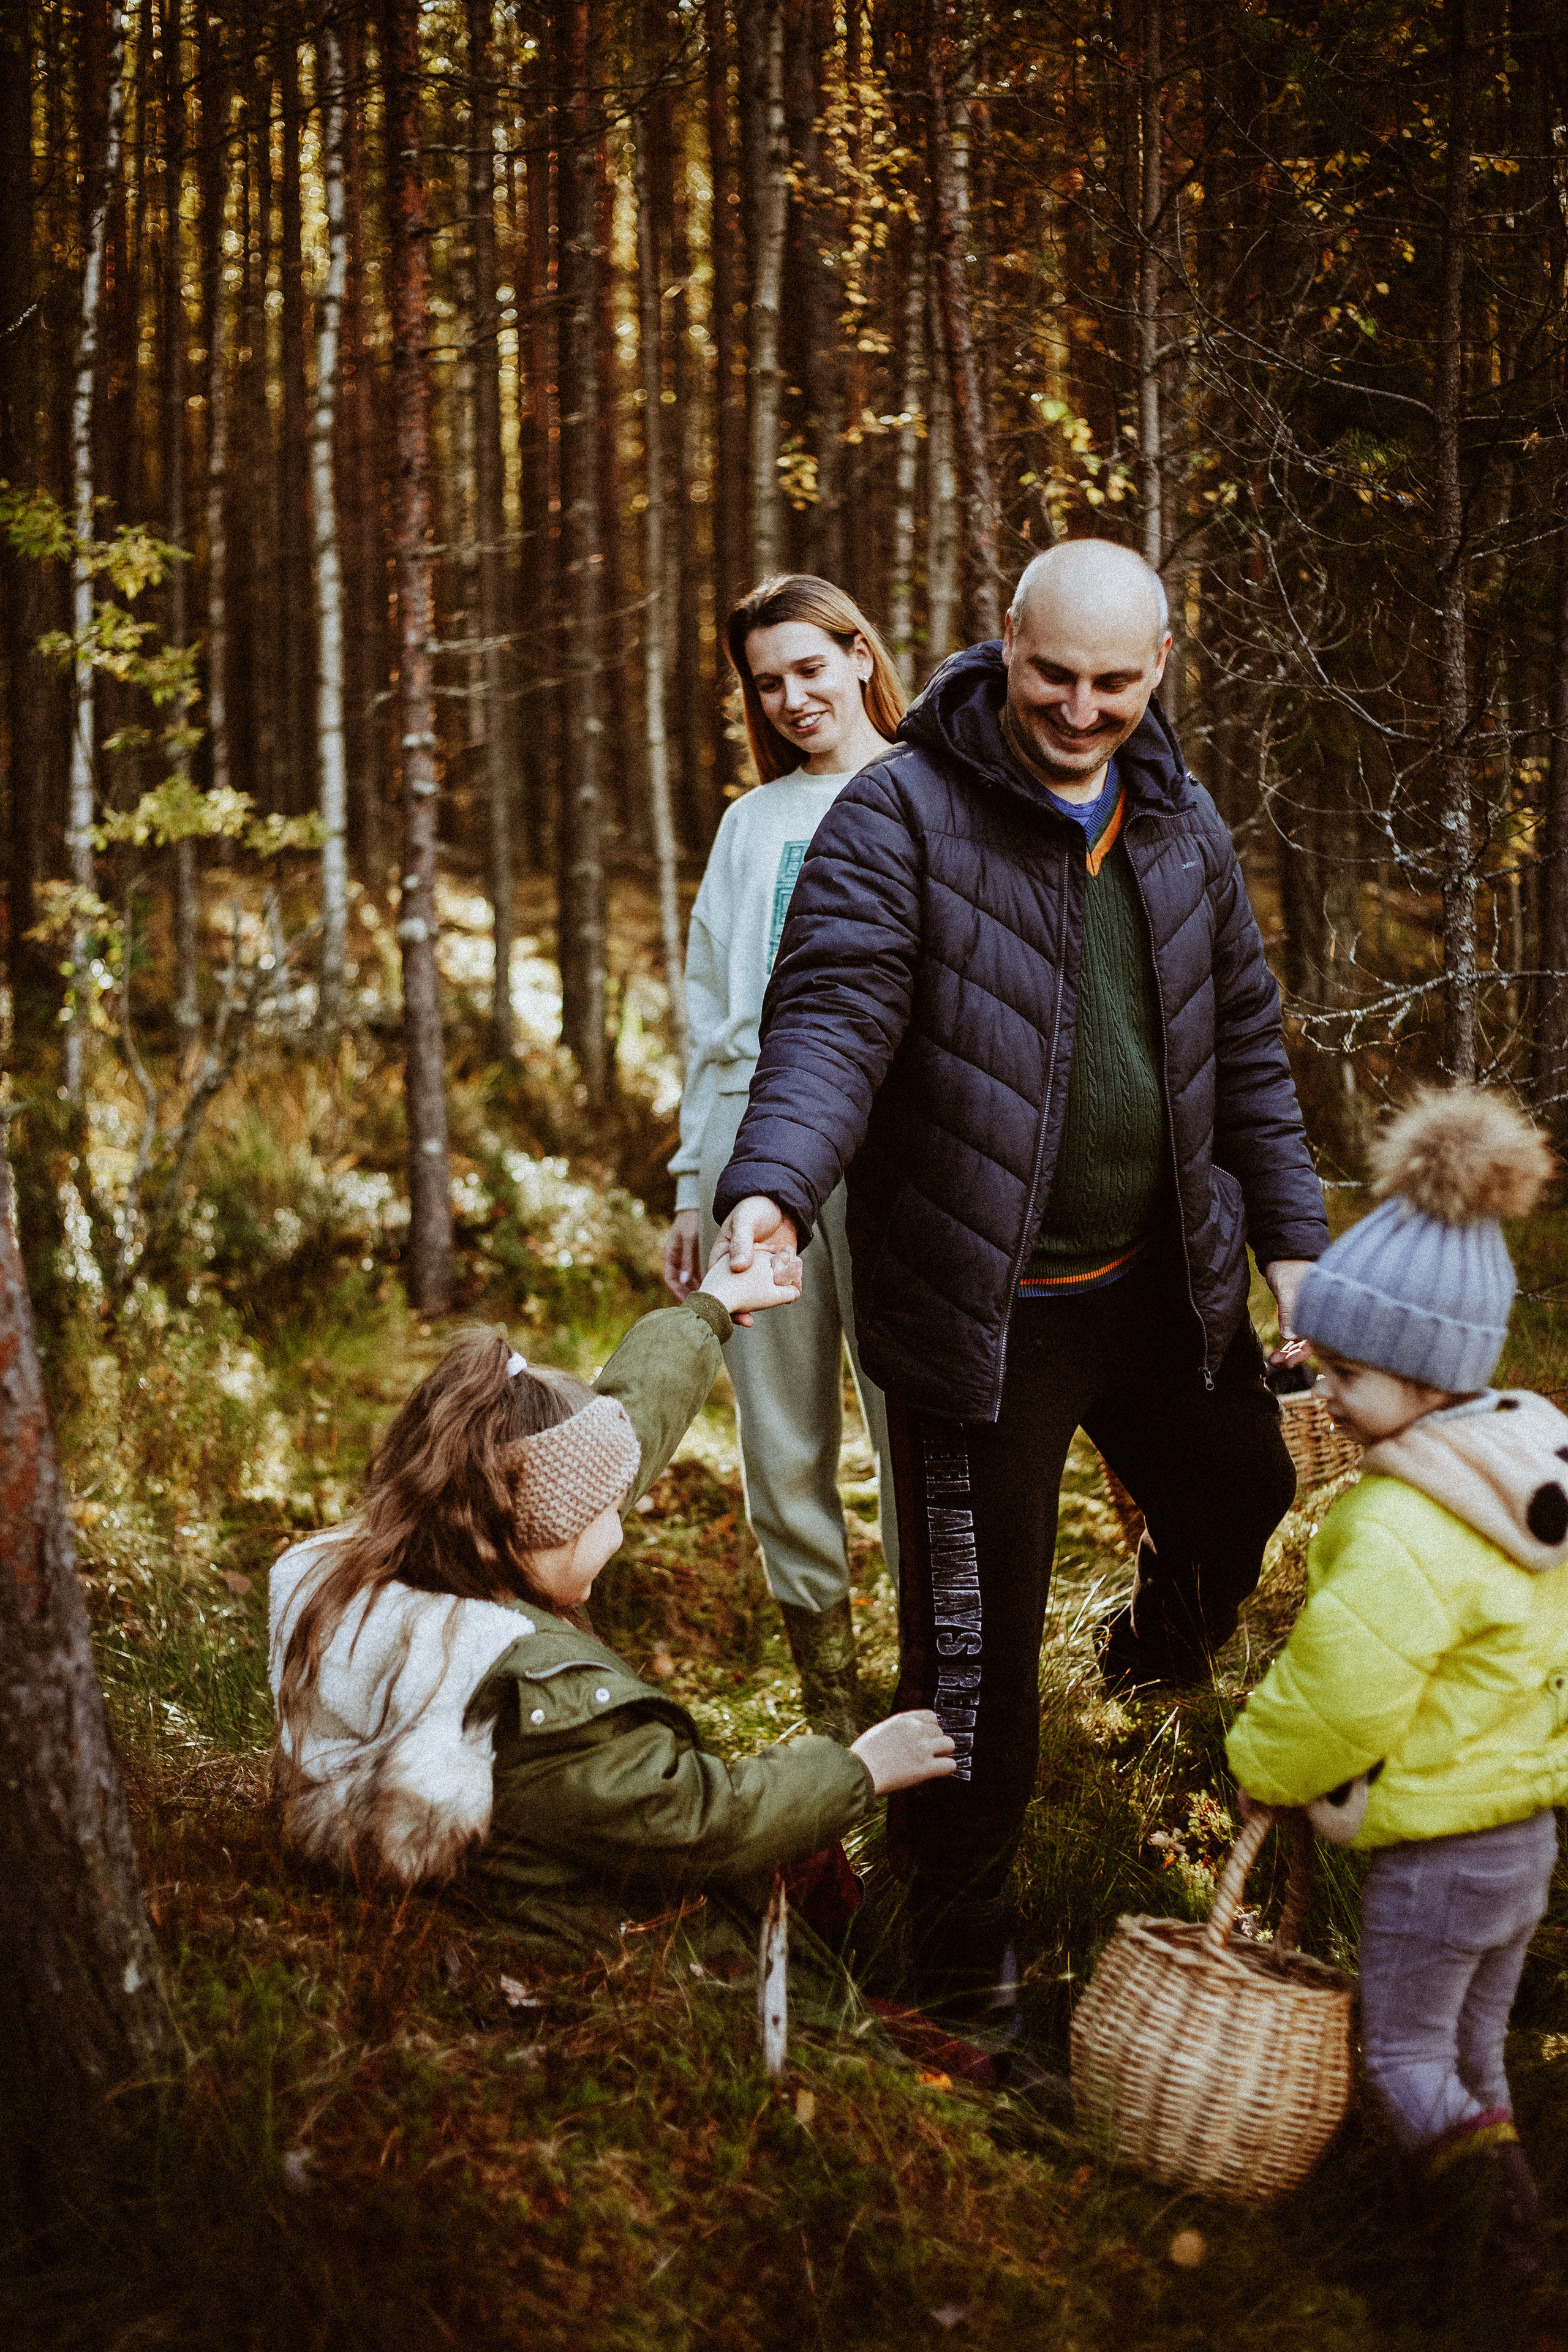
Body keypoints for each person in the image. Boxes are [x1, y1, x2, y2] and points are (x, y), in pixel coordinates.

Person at [710, 537, 1329, 2015]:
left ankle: (1136, 1666)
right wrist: (771, 1188)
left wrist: (1293, 1250)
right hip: (976, 1308)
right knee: (970, 1657)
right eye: (1052, 672)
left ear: (1157, 668)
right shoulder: (898, 816)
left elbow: (1242, 1040)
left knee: (1239, 1490)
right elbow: (829, 1019)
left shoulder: (1178, 821)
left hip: (1158, 1286)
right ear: (1002, 643)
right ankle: (956, 1939)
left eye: (1114, 680)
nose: (1078, 705)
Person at [268, 1246, 955, 2018]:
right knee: (908, 2044)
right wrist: (859, 1770)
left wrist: (711, 1310)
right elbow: (697, 1817)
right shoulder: (536, 1709)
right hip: (620, 1940)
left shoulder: (432, 1555)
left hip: (565, 1848)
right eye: (605, 1520)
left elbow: (627, 1425)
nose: (620, 1532)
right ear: (532, 1534)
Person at [1227, 1085, 1566, 2292]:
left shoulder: (1404, 1521)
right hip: (1519, 1830)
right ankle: (1513, 2241)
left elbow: (1343, 1689)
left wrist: (1259, 1764)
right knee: (1469, 2051)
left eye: (1349, 1378)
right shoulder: (1518, 1478)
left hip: (1435, 1843)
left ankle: (1477, 2275)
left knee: (1401, 2056)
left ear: (1427, 1379)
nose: (1325, 1398)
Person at [663, 575, 907, 1741]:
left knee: (916, 1413)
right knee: (780, 1429)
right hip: (758, 1164)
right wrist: (691, 1187)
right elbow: (714, 1019)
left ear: (861, 656)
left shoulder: (933, 796)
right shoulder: (752, 825)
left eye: (813, 667)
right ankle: (830, 1698)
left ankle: (935, 1670)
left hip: (906, 1163)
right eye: (770, 682)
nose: (794, 697)